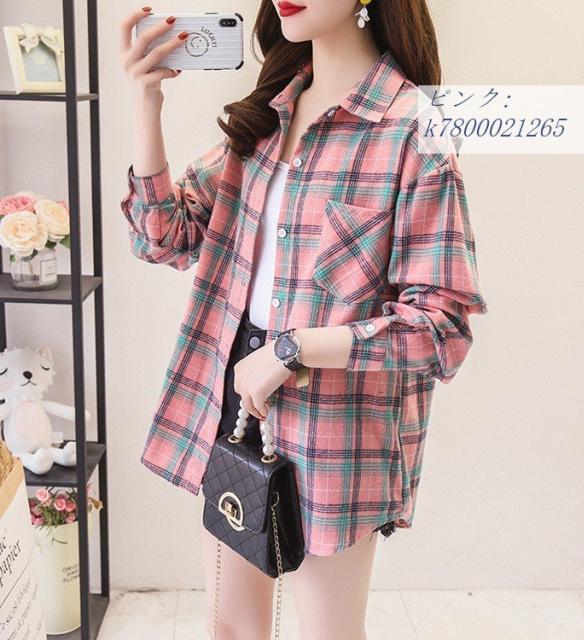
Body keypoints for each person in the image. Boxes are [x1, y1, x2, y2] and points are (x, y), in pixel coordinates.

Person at [119, 1, 488, 638]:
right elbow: (163, 238)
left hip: (338, 418)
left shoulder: (413, 129)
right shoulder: (266, 120)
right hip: (237, 397)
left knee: (328, 633)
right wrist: (146, 105)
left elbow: (441, 330)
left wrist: (293, 349)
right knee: (231, 627)